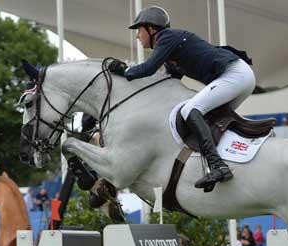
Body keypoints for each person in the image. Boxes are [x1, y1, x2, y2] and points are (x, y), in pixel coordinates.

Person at [107, 6, 256, 190]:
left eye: (139, 30)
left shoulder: (167, 37)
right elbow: (169, 79)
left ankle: (218, 166)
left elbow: (147, 69)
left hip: (234, 75)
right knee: (211, 120)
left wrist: (124, 70)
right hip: (239, 76)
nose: (137, 36)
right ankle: (232, 160)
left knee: (190, 110)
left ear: (152, 29)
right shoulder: (170, 48)